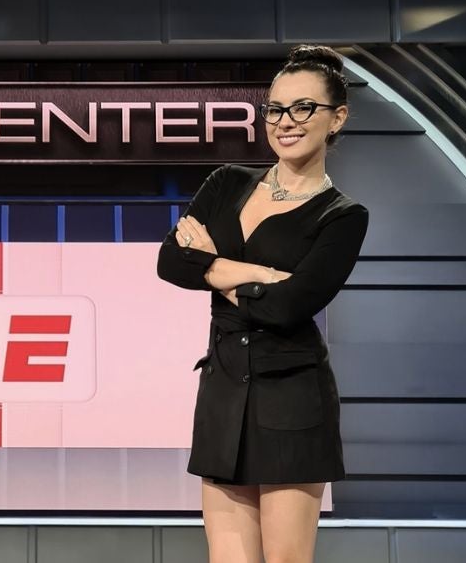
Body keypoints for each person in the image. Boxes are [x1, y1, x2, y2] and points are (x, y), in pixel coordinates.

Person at [156, 44, 369, 563]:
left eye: (304, 108)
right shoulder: (226, 182)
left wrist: (210, 263)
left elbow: (287, 307)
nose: (285, 121)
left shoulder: (343, 216)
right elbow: (170, 261)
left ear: (337, 117)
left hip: (292, 398)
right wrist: (257, 274)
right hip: (224, 389)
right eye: (275, 109)